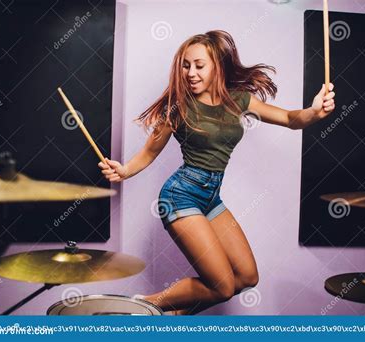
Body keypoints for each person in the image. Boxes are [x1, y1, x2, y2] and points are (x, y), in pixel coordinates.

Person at [98, 30, 335, 315]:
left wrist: (314, 111)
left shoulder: (238, 101)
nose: (190, 73)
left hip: (211, 198)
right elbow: (148, 153)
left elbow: (288, 118)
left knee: (247, 278)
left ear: (217, 66)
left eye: (199, 65)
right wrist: (123, 170)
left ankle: (174, 317)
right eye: (186, 65)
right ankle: (141, 306)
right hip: (180, 196)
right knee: (222, 286)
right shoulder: (179, 108)